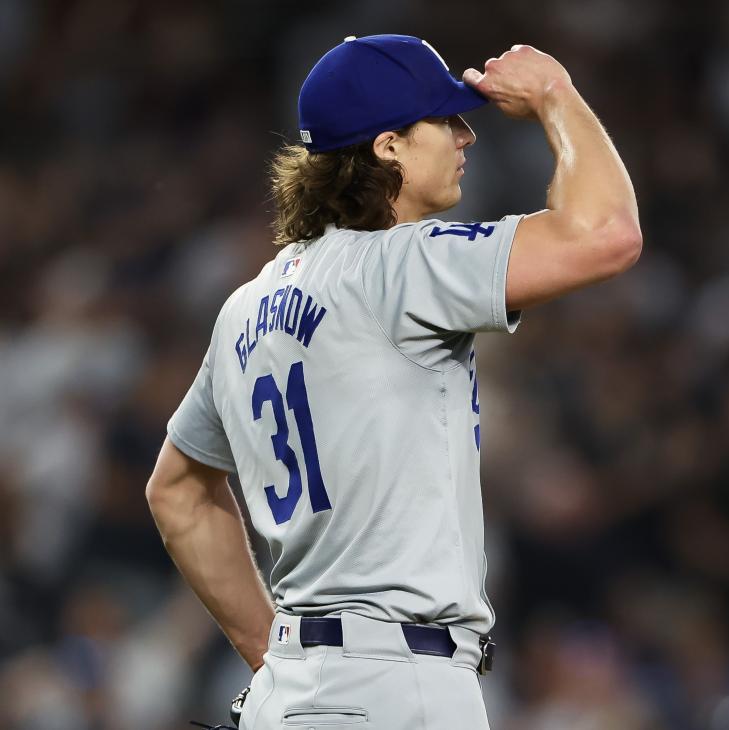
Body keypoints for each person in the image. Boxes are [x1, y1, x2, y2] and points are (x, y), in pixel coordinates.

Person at [145, 33, 641, 729]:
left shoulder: (245, 307)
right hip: (398, 687)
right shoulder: (400, 266)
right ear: (388, 147)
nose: (466, 135)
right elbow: (606, 234)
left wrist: (273, 657)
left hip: (296, 693)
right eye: (444, 120)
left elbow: (177, 491)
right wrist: (557, 96)